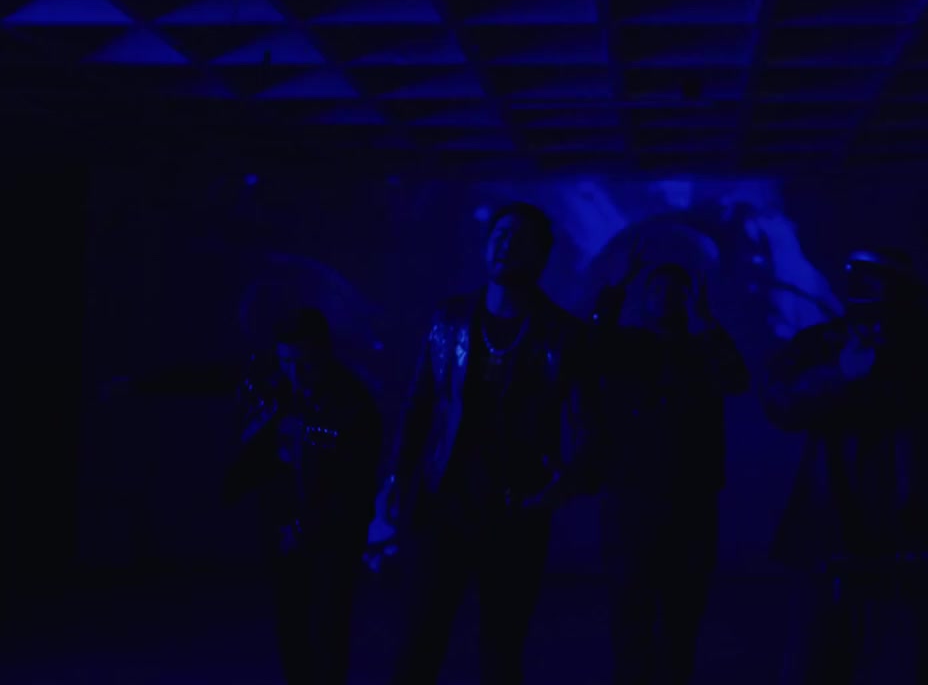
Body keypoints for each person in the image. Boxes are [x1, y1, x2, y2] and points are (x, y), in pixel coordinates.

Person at [765, 250, 928, 685]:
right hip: (831, 532)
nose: (877, 322)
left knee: (916, 662)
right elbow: (780, 403)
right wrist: (840, 373)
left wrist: (900, 362)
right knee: (815, 661)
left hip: (923, 535)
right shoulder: (825, 343)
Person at [389, 202, 586, 685]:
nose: (507, 243)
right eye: (500, 233)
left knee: (501, 649)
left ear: (541, 256)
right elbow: (418, 404)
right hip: (443, 504)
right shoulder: (449, 318)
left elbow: (590, 426)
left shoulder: (563, 334)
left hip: (517, 512)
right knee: (418, 641)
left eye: (520, 237)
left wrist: (563, 485)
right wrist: (396, 480)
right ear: (485, 246)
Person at [588, 259, 750, 685]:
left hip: (692, 501)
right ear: (643, 299)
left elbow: (737, 378)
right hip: (629, 501)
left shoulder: (702, 350)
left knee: (683, 613)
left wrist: (707, 322)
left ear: (688, 300)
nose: (666, 296)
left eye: (676, 290)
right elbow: (587, 350)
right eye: (657, 289)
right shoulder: (625, 346)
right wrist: (614, 290)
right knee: (629, 612)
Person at [226, 307, 383, 685]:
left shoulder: (354, 406)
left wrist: (302, 529)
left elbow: (352, 492)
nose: (294, 372)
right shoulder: (277, 383)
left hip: (332, 534)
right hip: (283, 526)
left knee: (327, 628)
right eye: (285, 361)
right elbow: (212, 377)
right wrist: (138, 384)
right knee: (290, 623)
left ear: (324, 353)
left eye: (304, 362)